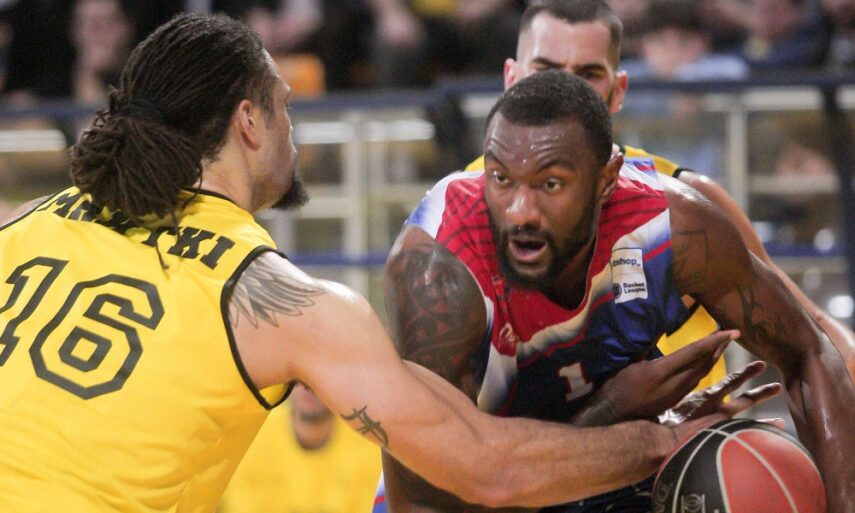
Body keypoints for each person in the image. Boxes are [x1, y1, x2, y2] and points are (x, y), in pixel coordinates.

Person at [0, 13, 755, 513]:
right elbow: (485, 466)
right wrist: (660, 440)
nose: (294, 129)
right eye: (285, 106)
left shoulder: (25, 224)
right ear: (248, 122)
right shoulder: (278, 300)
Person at [378, 70, 855, 513]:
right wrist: (615, 414)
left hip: (616, 471)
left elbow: (810, 353)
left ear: (606, 179)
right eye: (500, 178)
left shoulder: (675, 227)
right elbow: (429, 500)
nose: (520, 211)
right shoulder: (438, 271)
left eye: (551, 184)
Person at [466, 0, 855, 383]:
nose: (565, 91)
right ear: (511, 78)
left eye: (587, 74)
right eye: (546, 70)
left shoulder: (687, 197)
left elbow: (813, 331)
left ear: (618, 91)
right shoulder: (457, 206)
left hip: (698, 422)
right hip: (535, 423)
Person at [219, 383, 382, 513]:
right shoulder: (250, 438)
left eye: (317, 379)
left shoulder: (372, 447)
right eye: (299, 380)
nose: (308, 389)